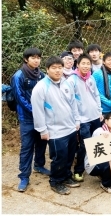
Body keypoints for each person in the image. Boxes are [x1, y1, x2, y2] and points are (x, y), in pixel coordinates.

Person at [31, 56, 81, 195]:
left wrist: (77, 121)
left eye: (60, 67)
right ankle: (56, 181)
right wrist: (42, 130)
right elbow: (38, 111)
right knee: (59, 157)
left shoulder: (67, 83)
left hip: (70, 127)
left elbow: (73, 103)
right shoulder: (40, 87)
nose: (57, 70)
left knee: (70, 155)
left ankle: (66, 177)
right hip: (55, 131)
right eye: (54, 68)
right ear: (47, 69)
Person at [13, 48, 48, 192]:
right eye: (33, 57)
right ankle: (24, 176)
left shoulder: (42, 75)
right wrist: (36, 111)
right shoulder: (18, 76)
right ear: (26, 59)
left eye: (38, 57)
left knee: (42, 142)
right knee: (27, 146)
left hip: (42, 117)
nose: (36, 60)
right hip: (27, 117)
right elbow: (19, 98)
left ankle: (39, 165)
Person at [66, 54, 103, 182]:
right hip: (83, 119)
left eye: (88, 64)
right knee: (85, 145)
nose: (86, 66)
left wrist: (99, 111)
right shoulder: (72, 80)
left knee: (97, 143)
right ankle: (79, 170)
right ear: (78, 64)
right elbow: (70, 102)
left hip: (95, 116)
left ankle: (96, 167)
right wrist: (77, 119)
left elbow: (97, 95)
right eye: (84, 63)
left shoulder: (91, 78)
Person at [84, 111, 111, 193]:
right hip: (93, 165)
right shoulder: (99, 130)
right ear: (106, 121)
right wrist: (103, 134)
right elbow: (97, 135)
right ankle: (106, 184)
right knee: (110, 164)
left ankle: (104, 175)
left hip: (108, 163)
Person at [93, 51, 111, 118]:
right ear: (104, 62)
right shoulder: (97, 74)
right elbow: (94, 92)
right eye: (109, 60)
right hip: (101, 110)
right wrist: (109, 103)